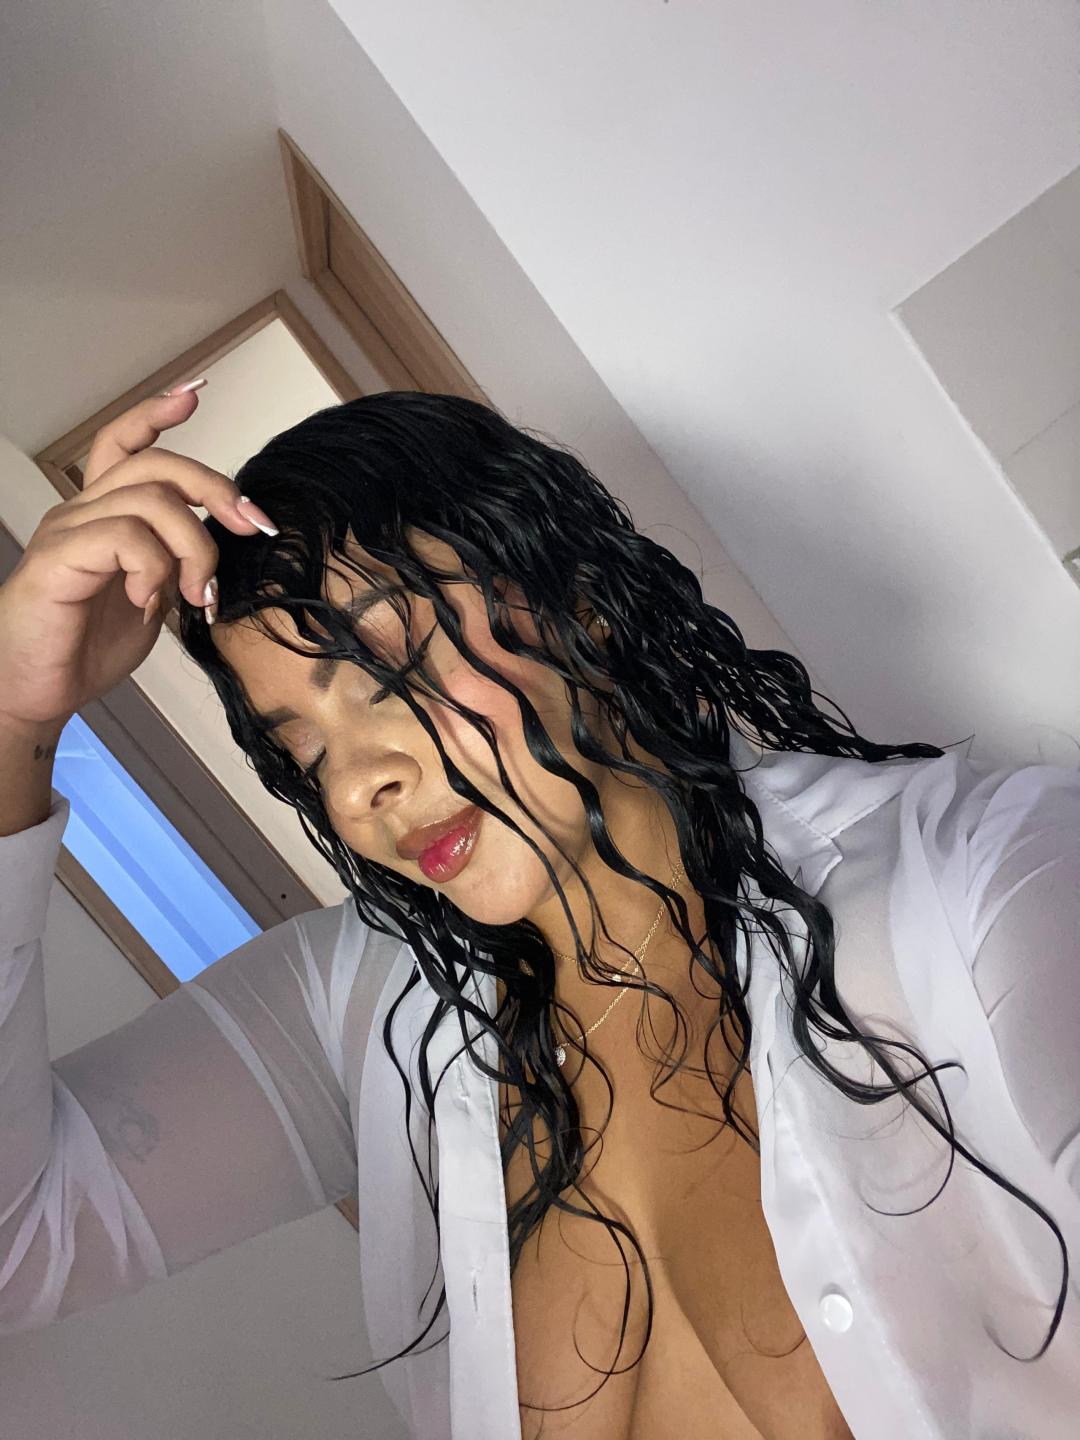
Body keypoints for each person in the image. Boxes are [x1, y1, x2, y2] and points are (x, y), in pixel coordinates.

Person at [0, 384, 1076, 1440]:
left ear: (579, 601)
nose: (356, 787)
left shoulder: (977, 894)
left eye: (389, 672)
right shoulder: (358, 1011)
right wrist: (11, 714)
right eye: (306, 750)